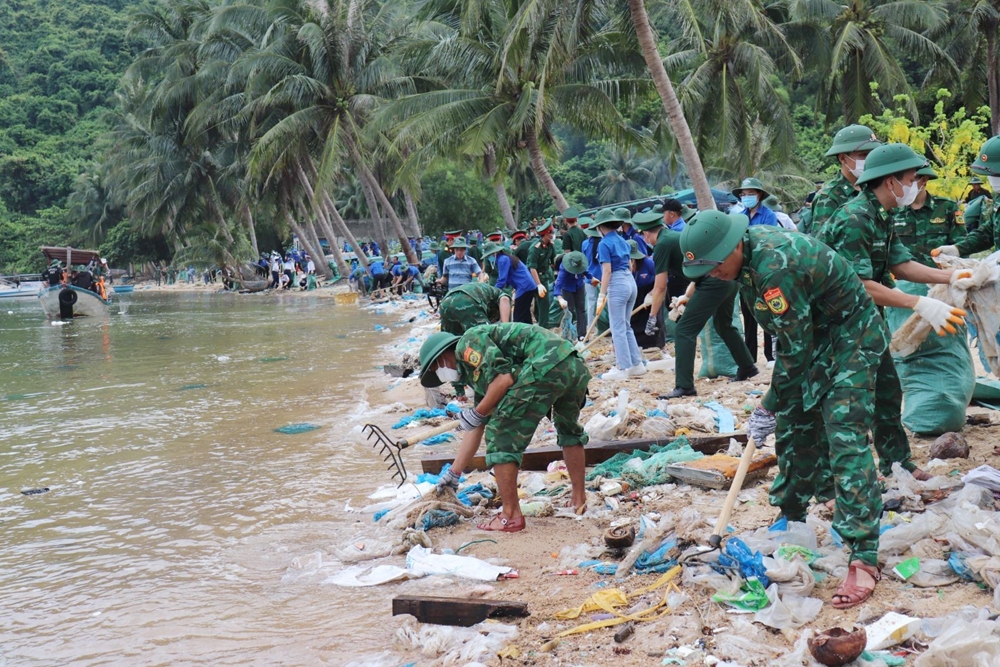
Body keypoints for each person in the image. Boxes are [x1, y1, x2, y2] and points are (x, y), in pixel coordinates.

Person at [679, 209, 888, 609]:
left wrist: (768, 403)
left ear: (733, 246)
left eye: (716, 265)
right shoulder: (743, 264)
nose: (714, 275)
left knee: (843, 435)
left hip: (850, 337)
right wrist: (779, 406)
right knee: (793, 426)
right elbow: (793, 340)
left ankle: (864, 554)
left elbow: (794, 347)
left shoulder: (776, 265)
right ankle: (792, 517)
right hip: (811, 337)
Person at [818, 143, 968, 483]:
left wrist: (953, 276)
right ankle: (837, 481)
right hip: (836, 324)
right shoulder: (855, 218)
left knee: (888, 390)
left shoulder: (881, 216)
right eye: (912, 178)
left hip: (866, 320)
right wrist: (919, 303)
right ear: (890, 182)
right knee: (850, 402)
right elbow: (856, 283)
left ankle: (897, 463)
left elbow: (900, 265)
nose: (916, 184)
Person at [420, 323, 591, 529]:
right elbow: (478, 424)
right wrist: (454, 473)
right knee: (568, 430)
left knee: (500, 435)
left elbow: (503, 379)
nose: (440, 374)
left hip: (546, 363)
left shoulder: (468, 342)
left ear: (442, 356)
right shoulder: (478, 373)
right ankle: (579, 500)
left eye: (436, 368)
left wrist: (476, 413)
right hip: (573, 364)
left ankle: (510, 515)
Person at [633, 210, 757, 397]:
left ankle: (684, 386)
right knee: (722, 324)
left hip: (714, 281)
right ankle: (747, 366)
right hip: (726, 279)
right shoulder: (673, 237)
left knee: (684, 331)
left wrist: (652, 318)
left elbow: (659, 287)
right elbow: (697, 273)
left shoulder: (662, 245)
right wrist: (686, 295)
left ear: (646, 234)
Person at [731, 178, 780, 364]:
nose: (747, 197)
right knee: (748, 311)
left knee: (766, 309)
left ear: (759, 195)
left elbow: (770, 240)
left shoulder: (768, 215)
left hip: (762, 266)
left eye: (751, 193)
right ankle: (750, 356)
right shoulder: (740, 216)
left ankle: (770, 355)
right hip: (745, 269)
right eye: (744, 194)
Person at [594, 208, 645, 380]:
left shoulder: (604, 244)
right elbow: (630, 265)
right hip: (630, 281)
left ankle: (622, 368)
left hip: (617, 281)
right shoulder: (623, 240)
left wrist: (601, 295)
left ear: (601, 227)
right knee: (626, 325)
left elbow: (606, 271)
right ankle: (636, 364)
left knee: (617, 328)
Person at [804, 124, 882, 235]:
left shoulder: (872, 188)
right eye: (863, 155)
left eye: (872, 154)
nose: (869, 159)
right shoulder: (828, 197)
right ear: (842, 158)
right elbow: (822, 244)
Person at [934, 136, 1000, 259]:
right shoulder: (998, 196)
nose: (993, 179)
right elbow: (989, 232)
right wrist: (957, 249)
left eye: (997, 174)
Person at [892, 166, 964, 266]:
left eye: (912, 180)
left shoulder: (947, 207)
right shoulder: (894, 210)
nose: (905, 185)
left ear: (924, 180)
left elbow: (961, 246)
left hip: (940, 277)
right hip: (903, 279)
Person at [483, 242, 537, 324]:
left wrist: (493, 292)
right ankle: (529, 332)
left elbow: (502, 280)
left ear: (494, 253)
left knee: (518, 316)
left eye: (488, 255)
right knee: (525, 314)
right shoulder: (504, 258)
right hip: (528, 286)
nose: (488, 258)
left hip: (524, 287)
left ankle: (520, 335)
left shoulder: (502, 260)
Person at [439, 282, 512, 336]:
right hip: (466, 301)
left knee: (451, 340)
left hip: (445, 302)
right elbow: (505, 299)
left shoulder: (487, 290)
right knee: (484, 337)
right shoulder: (499, 294)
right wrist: (505, 327)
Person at [629, 239, 663, 349]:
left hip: (649, 293)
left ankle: (653, 343)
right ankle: (636, 344)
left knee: (651, 320)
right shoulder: (622, 265)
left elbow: (662, 281)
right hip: (633, 294)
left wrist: (651, 294)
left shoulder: (647, 263)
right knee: (633, 320)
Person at [526, 220, 556, 328]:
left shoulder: (550, 246)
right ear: (546, 234)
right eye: (551, 232)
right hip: (534, 278)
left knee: (543, 304)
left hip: (545, 277)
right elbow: (532, 268)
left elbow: (554, 262)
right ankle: (543, 327)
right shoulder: (535, 248)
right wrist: (538, 284)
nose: (553, 234)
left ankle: (542, 325)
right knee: (542, 304)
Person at [553, 250, 588, 339]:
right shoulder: (564, 268)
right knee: (569, 311)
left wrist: (592, 278)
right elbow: (558, 284)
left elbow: (586, 271)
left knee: (581, 310)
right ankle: (569, 334)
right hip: (567, 288)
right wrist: (560, 297)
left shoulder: (581, 264)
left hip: (579, 285)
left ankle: (582, 334)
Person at [580, 217, 602, 327]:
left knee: (590, 302)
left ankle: (590, 325)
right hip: (603, 277)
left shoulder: (585, 244)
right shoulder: (603, 243)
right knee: (604, 302)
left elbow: (583, 261)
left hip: (589, 276)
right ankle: (602, 325)